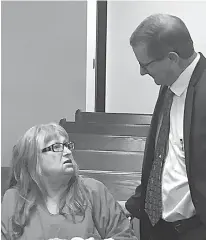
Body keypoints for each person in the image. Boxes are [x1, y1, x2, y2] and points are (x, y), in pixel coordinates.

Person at [125, 13, 206, 240]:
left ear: (172, 58)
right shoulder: (169, 85)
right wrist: (136, 205)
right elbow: (161, 156)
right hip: (157, 227)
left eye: (145, 65)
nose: (142, 72)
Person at [1, 122, 138, 240]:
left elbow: (125, 236)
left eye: (67, 145)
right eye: (56, 147)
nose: (67, 152)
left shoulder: (93, 190)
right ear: (33, 159)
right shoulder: (13, 198)